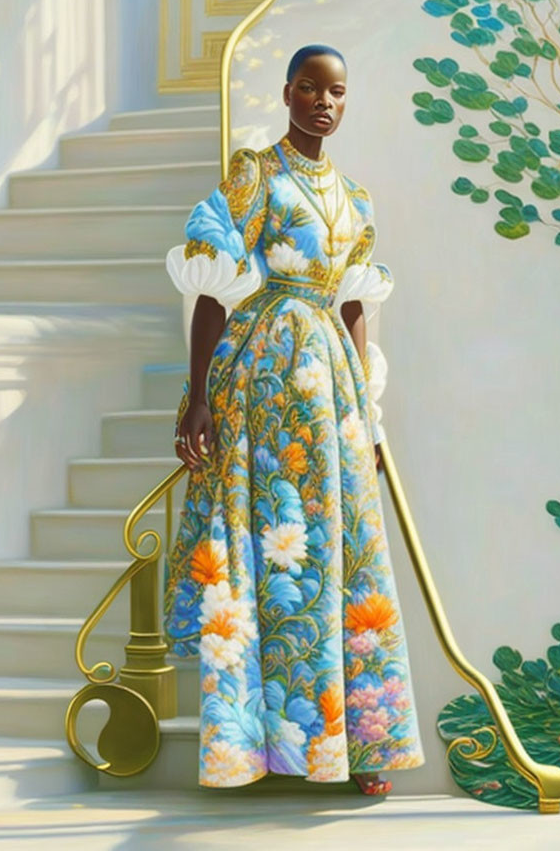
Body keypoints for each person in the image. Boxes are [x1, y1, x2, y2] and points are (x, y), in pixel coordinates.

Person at [164, 43, 425, 793]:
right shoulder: (255, 175)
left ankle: (358, 748)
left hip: (333, 398)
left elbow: (352, 309)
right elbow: (213, 293)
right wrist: (202, 396)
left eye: (336, 92)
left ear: (346, 102)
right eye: (309, 88)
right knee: (270, 555)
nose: (323, 102)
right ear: (286, 94)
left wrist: (369, 419)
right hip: (264, 387)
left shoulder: (357, 198)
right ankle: (249, 747)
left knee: (339, 557)